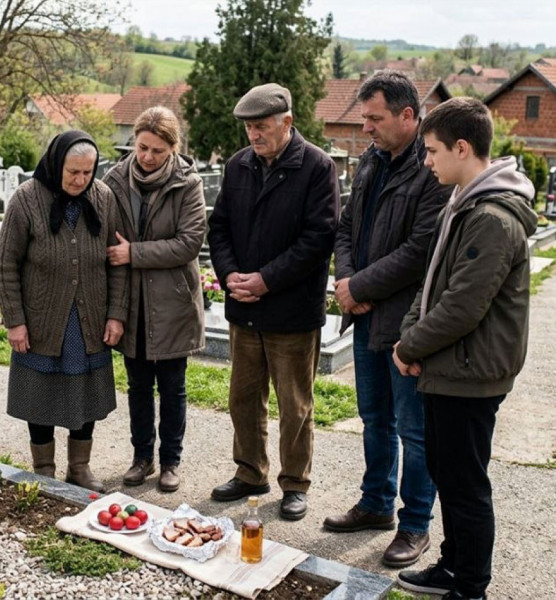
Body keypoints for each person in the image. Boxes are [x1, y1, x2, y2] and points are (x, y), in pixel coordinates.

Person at [394, 97, 536, 600]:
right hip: (448, 366)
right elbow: (431, 287)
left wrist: (410, 345)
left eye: (432, 151)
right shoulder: (464, 203)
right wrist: (408, 339)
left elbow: (461, 306)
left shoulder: (492, 218)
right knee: (447, 472)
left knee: (465, 484)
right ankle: (451, 566)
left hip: (470, 373)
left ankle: (470, 586)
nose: (427, 160)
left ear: (462, 147)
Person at [324, 71, 450, 568]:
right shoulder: (373, 160)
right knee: (374, 419)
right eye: (364, 117)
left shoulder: (431, 168)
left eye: (374, 118)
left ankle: (415, 524)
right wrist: (346, 280)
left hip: (405, 325)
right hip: (365, 316)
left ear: (407, 116)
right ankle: (376, 503)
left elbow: (420, 251)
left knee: (413, 429)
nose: (366, 127)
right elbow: (348, 226)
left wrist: (359, 287)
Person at [207, 83, 339, 520]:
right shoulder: (238, 165)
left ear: (287, 122)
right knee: (243, 397)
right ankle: (250, 472)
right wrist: (229, 275)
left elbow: (318, 239)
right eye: (248, 128)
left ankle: (295, 483)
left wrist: (266, 280)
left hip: (291, 310)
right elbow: (220, 227)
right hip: (244, 306)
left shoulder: (317, 167)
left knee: (294, 403)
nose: (253, 135)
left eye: (261, 127)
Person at [0, 130, 129, 493]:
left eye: (88, 172)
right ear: (57, 164)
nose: (80, 180)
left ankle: (79, 468)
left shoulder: (103, 198)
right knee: (39, 395)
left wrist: (116, 313)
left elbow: (117, 263)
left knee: (83, 392)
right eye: (73, 172)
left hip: (89, 319)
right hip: (40, 321)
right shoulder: (26, 199)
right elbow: (6, 265)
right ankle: (44, 469)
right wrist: (15, 322)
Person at [102, 106, 207, 492]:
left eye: (157, 151)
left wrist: (135, 254)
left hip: (173, 302)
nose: (146, 157)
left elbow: (189, 243)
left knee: (173, 387)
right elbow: (109, 240)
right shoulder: (114, 180)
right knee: (138, 385)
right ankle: (141, 457)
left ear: (173, 149)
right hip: (132, 301)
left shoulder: (187, 183)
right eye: (141, 147)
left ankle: (170, 462)